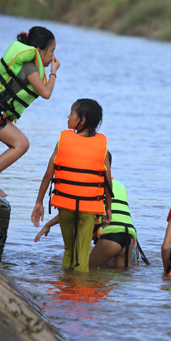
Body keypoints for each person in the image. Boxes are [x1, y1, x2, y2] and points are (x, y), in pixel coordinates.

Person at [0, 26, 60, 196]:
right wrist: (53, 72)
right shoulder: (30, 67)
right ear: (38, 50)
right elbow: (46, 93)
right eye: (51, 51)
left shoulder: (27, 63)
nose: (53, 56)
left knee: (22, 143)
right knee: (21, 144)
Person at [31, 99, 112, 273]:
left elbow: (48, 174)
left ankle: (65, 292)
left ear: (82, 120)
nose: (68, 117)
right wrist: (108, 209)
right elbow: (107, 182)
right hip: (89, 209)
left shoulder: (63, 140)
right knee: (82, 256)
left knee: (69, 250)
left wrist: (39, 202)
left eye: (72, 113)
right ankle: (79, 294)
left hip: (66, 207)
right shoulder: (102, 145)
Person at [35, 151, 146, 268]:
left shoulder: (95, 185)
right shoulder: (120, 185)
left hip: (110, 237)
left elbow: (73, 210)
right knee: (117, 281)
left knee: (83, 272)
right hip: (129, 238)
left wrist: (48, 224)